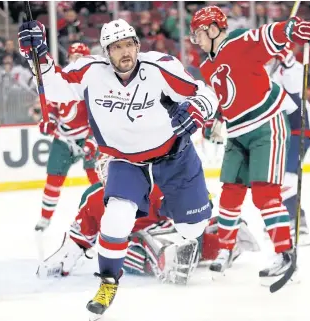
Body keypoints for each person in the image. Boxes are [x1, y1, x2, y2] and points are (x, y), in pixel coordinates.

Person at [18, 18, 218, 319]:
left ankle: (180, 211)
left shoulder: (160, 67)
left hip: (175, 154)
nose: (124, 52)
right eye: (116, 47)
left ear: (137, 45)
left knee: (193, 227)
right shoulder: (91, 72)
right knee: (115, 218)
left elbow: (205, 93)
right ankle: (108, 282)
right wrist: (38, 56)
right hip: (125, 161)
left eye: (129, 44)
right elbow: (55, 86)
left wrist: (198, 110)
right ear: (105, 52)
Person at [189, 6, 310, 280]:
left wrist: (290, 29)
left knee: (264, 194)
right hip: (237, 133)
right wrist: (217, 119)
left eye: (199, 33)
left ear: (213, 29)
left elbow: (266, 35)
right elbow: (224, 97)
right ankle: (225, 249)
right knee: (230, 193)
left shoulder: (238, 42)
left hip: (266, 126)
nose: (196, 39)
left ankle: (285, 253)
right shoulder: (206, 66)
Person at [37, 155, 260, 282]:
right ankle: (216, 242)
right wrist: (61, 262)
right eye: (105, 169)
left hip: (162, 230)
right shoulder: (93, 198)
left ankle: (218, 238)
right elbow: (80, 238)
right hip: (136, 240)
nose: (110, 174)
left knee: (150, 243)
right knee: (128, 247)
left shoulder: (145, 183)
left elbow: (173, 208)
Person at [34, 42, 100, 232]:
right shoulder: (61, 79)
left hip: (87, 138)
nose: (76, 61)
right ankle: (45, 219)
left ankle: (104, 211)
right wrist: (50, 121)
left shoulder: (93, 84)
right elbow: (53, 107)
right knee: (54, 178)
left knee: (97, 178)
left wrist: (90, 142)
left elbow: (99, 117)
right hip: (64, 139)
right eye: (73, 57)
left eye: (80, 58)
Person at [267, 45, 310, 246]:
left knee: (287, 178)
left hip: (301, 128)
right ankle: (284, 219)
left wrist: (287, 61)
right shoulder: (268, 72)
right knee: (276, 177)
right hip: (285, 132)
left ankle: (298, 223)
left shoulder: (292, 68)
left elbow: (295, 88)